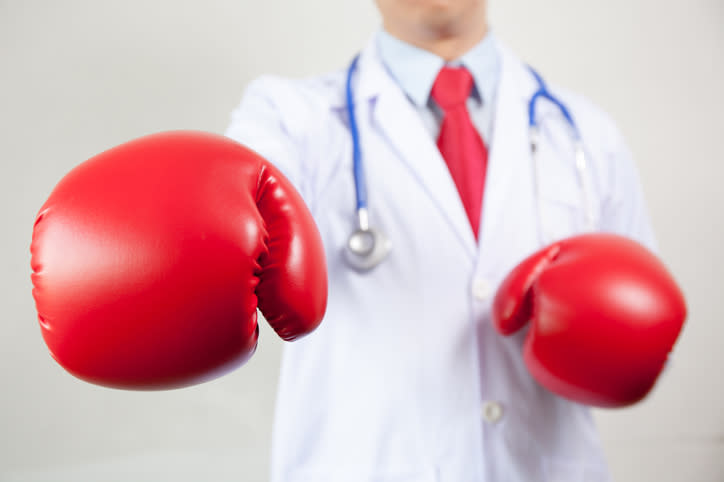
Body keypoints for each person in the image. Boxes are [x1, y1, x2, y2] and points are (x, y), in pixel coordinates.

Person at [223, 1, 658, 481]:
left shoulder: (588, 135)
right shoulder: (288, 119)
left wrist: (604, 339)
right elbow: (229, 220)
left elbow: (648, 321)